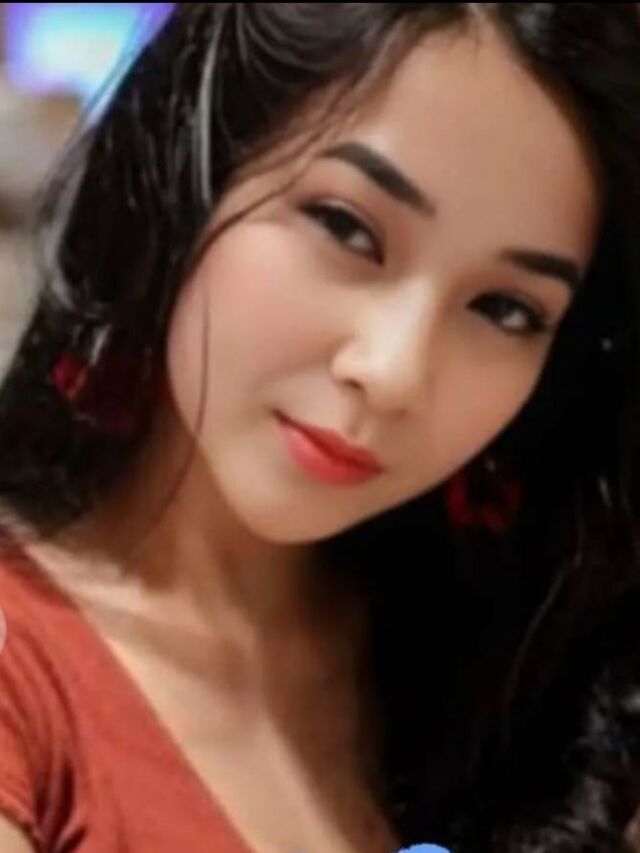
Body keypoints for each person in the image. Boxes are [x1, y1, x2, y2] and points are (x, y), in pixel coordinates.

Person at [0, 3, 638, 851]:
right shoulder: (22, 669)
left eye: (505, 309)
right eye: (347, 227)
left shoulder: (510, 691)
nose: (394, 371)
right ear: (193, 169)